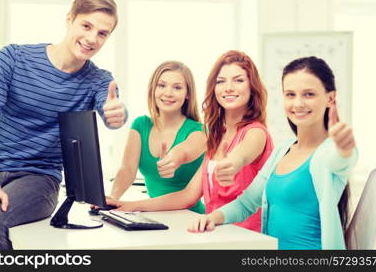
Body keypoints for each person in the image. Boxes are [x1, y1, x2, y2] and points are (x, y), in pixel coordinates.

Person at [0, 0, 127, 250]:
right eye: (86, 26)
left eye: (102, 33)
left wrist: (115, 114)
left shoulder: (99, 80)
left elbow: (111, 109)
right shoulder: (13, 58)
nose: (91, 38)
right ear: (69, 19)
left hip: (39, 178)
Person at [188, 56, 358, 250]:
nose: (298, 103)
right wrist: (212, 218)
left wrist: (345, 148)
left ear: (330, 98)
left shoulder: (329, 152)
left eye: (309, 94)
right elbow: (247, 203)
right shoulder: (282, 151)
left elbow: (342, 160)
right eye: (290, 94)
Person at [108, 50, 273, 232]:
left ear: (252, 87)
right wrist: (130, 206)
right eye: (221, 81)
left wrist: (232, 164)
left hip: (248, 238)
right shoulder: (218, 136)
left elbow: (240, 156)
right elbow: (189, 195)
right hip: (215, 233)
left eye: (238, 80)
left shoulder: (256, 133)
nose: (229, 88)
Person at [107, 61, 206, 213]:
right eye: (162, 85)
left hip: (191, 218)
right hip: (156, 215)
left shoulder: (200, 131)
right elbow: (127, 169)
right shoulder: (141, 125)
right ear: (153, 89)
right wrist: (112, 199)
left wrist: (174, 158)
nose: (168, 93)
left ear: (188, 94)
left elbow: (185, 150)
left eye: (177, 87)